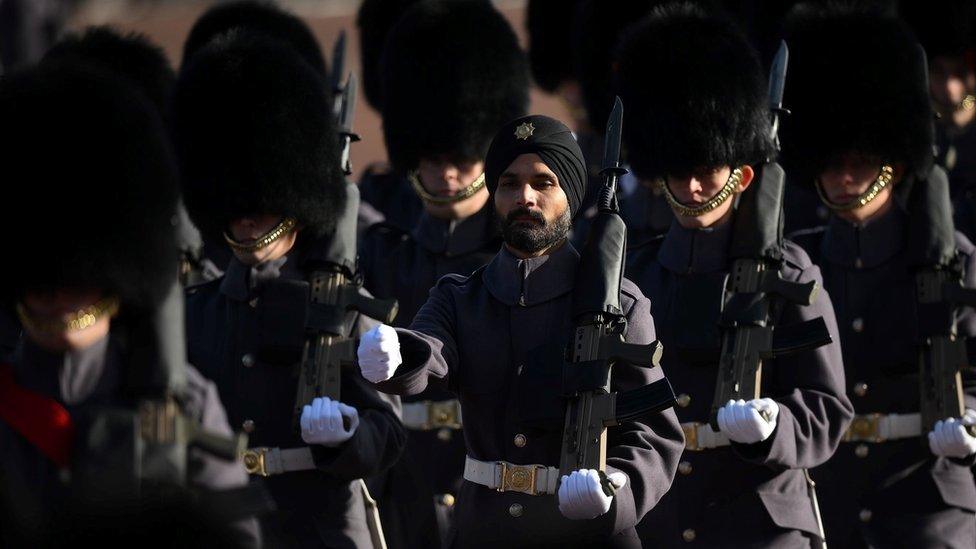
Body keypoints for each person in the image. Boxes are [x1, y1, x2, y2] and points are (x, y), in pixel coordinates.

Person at [357, 114, 684, 547]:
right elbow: (431, 349)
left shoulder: (619, 305)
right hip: (485, 530)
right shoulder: (460, 296)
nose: (524, 196)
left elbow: (656, 434)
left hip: (587, 531)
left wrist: (615, 489)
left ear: (569, 194)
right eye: (509, 183)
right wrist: (399, 350)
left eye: (543, 183)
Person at [617, 5, 852, 546]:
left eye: (707, 172)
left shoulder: (787, 270)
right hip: (667, 516)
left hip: (759, 518)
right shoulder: (640, 272)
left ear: (740, 175)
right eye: (682, 172)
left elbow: (826, 404)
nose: (694, 188)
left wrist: (775, 427)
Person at [0, 60, 259, 547]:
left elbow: (239, 534)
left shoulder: (187, 402)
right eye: (42, 283)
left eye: (77, 280)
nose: (58, 295)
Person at [174, 32, 405, 548]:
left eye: (265, 205)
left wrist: (346, 437)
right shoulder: (194, 313)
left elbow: (386, 432)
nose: (250, 220)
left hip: (321, 524)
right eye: (236, 207)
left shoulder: (339, 305)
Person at [783, 5, 976, 547]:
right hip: (833, 498)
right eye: (831, 161)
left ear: (892, 158)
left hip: (929, 504)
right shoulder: (799, 265)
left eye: (862, 161)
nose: (845, 177)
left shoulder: (954, 258)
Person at [357, 1, 528, 545]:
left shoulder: (523, 257)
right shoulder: (381, 255)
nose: (449, 171)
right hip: (403, 486)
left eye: (464, 154)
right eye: (433, 157)